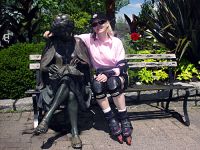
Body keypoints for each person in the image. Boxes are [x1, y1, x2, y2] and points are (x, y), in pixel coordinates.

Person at [44, 12, 133, 145]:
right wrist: (51, 33)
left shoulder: (116, 42)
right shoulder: (88, 39)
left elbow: (122, 66)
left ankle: (124, 119)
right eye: (94, 24)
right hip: (99, 75)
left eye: (101, 22)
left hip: (117, 74)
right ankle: (111, 120)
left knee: (113, 83)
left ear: (107, 22)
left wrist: (108, 74)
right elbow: (67, 34)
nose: (98, 26)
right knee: (96, 86)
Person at [34, 14, 92, 149]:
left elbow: (87, 65)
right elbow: (43, 66)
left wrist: (79, 66)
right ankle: (75, 134)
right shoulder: (53, 43)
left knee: (68, 79)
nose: (62, 34)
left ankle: (46, 119)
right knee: (68, 86)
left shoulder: (78, 42)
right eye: (59, 31)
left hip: (78, 84)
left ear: (70, 29)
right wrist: (51, 68)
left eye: (64, 31)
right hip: (55, 85)